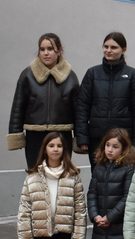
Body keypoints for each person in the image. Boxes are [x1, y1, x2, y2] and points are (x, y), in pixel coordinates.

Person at [8, 33, 81, 168]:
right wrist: (15, 133)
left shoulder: (70, 77)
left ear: (59, 50)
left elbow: (78, 111)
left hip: (61, 136)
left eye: (50, 49)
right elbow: (18, 106)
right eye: (42, 49)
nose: (46, 53)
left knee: (60, 173)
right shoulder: (27, 75)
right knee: (36, 173)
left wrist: (80, 137)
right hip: (35, 136)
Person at [75, 31, 135, 165]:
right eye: (105, 46)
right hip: (97, 138)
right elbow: (82, 107)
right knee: (98, 174)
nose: (108, 50)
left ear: (123, 50)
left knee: (121, 175)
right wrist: (82, 137)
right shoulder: (92, 73)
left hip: (123, 139)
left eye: (113, 47)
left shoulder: (132, 75)